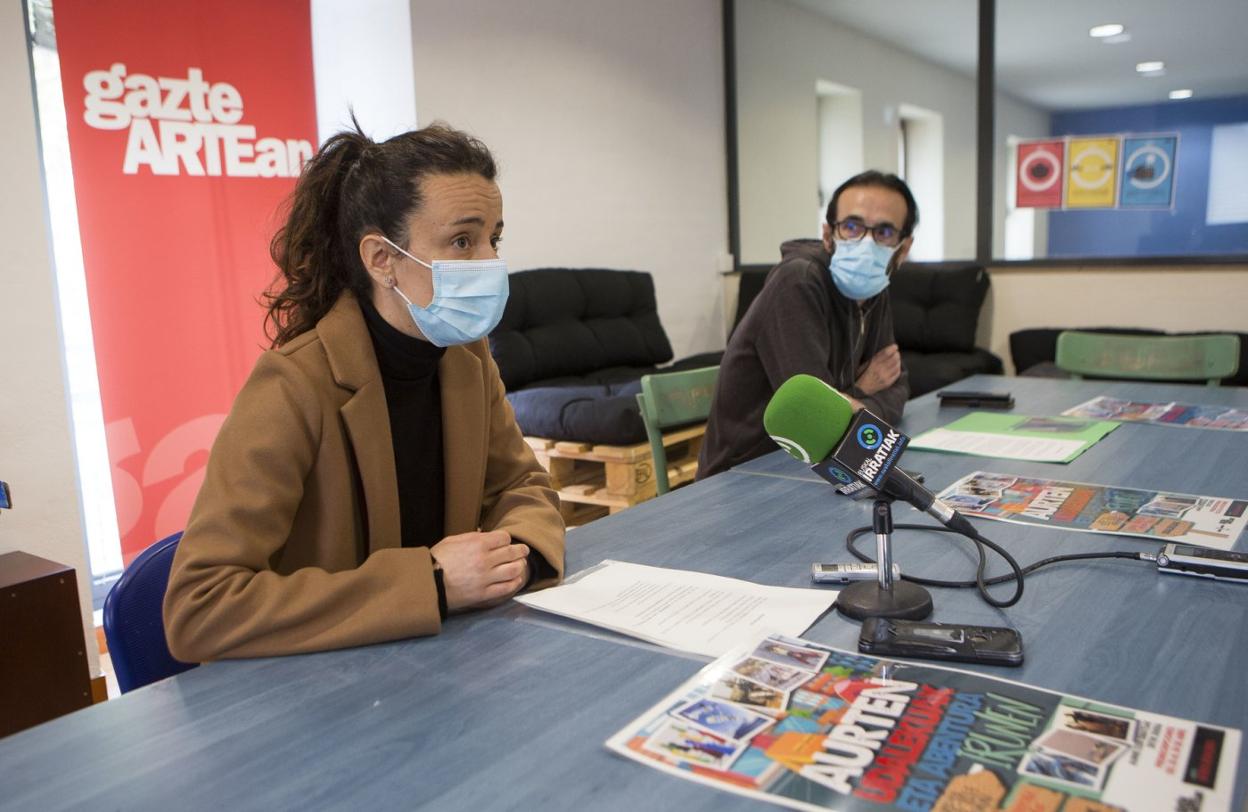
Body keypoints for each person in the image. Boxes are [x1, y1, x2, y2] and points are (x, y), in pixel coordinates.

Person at [163, 123, 565, 661]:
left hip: (434, 666)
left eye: (494, 238)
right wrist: (434, 582)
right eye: (463, 241)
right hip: (323, 693)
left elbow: (522, 485)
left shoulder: (466, 357)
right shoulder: (294, 383)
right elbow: (199, 606)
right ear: (381, 259)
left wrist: (519, 555)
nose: (490, 262)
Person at [698, 170, 917, 478]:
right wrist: (865, 388)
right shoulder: (797, 282)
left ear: (903, 248)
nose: (866, 243)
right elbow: (815, 419)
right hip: (746, 475)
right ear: (829, 235)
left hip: (816, 467)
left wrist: (852, 402)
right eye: (852, 226)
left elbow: (897, 384)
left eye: (883, 232)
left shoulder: (874, 287)